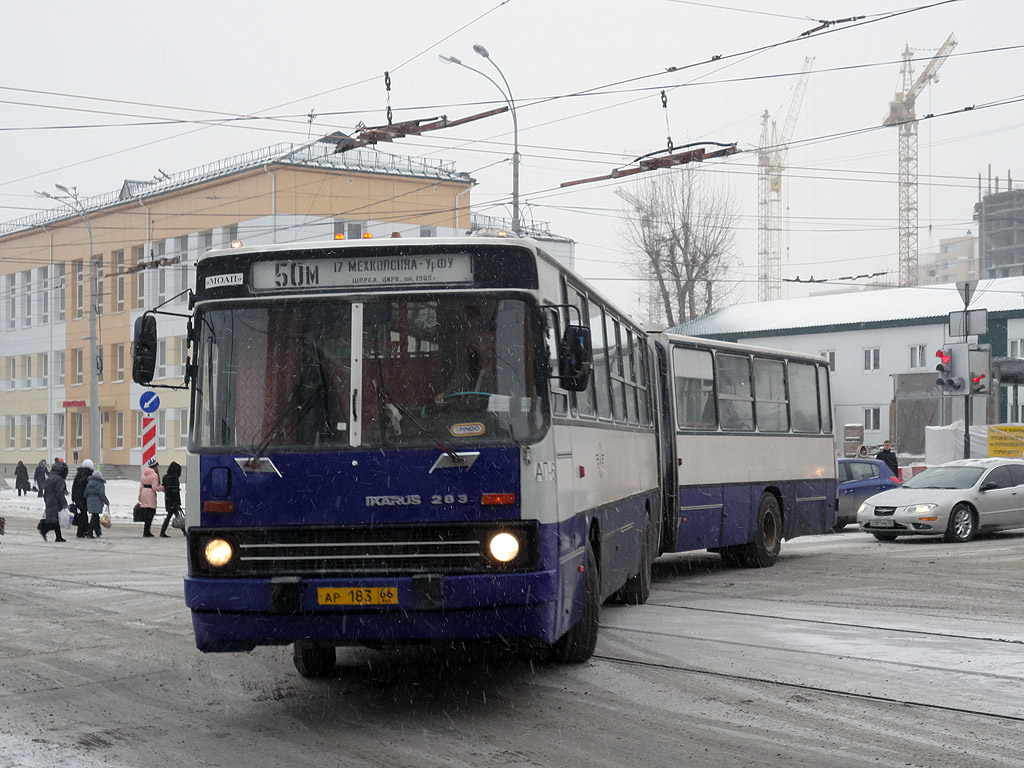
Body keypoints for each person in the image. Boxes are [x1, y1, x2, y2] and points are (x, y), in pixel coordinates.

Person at [40, 459, 69, 542]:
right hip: (55, 501)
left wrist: (46, 500)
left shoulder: (50, 478)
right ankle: (44, 529)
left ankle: (58, 536)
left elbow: (45, 490)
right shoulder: (59, 480)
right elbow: (59, 493)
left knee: (54, 519)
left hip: (49, 499)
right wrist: (64, 503)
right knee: (54, 520)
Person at [138, 457, 164, 538]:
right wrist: (163, 488)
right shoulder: (154, 475)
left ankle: (146, 530)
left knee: (147, 513)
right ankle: (147, 531)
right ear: (155, 466)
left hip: (144, 493)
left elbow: (141, 486)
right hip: (150, 494)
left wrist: (140, 495)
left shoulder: (143, 474)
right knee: (151, 512)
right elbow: (155, 487)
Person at [71, 459, 95, 539]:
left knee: (81, 514)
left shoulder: (79, 474)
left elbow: (74, 486)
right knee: (84, 514)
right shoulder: (89, 474)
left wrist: (73, 497)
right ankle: (82, 531)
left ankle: (82, 531)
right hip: (84, 497)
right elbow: (89, 486)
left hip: (78, 497)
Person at [159, 461, 184, 537]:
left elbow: (165, 488)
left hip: (168, 499)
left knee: (172, 516)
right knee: (175, 516)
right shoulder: (175, 478)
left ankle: (163, 531)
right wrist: (178, 502)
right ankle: (184, 531)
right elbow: (176, 491)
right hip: (174, 499)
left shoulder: (165, 477)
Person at [84, 467, 110, 539]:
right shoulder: (100, 484)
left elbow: (85, 493)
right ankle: (89, 532)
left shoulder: (89, 483)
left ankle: (98, 531)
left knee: (95, 516)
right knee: (94, 517)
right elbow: (101, 494)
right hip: (97, 501)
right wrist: (106, 502)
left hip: (90, 500)